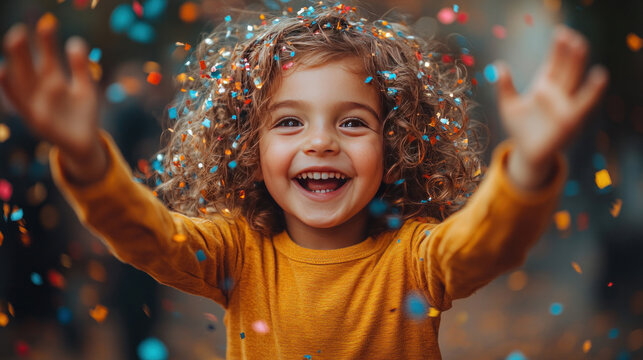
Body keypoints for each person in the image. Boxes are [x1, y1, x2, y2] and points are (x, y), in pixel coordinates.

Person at [0, 3, 608, 359]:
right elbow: (145, 234)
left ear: (395, 146)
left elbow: (489, 239)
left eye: (352, 121)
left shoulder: (416, 259)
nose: (322, 142)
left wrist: (528, 167)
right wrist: (84, 157)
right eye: (289, 122)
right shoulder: (235, 253)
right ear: (249, 147)